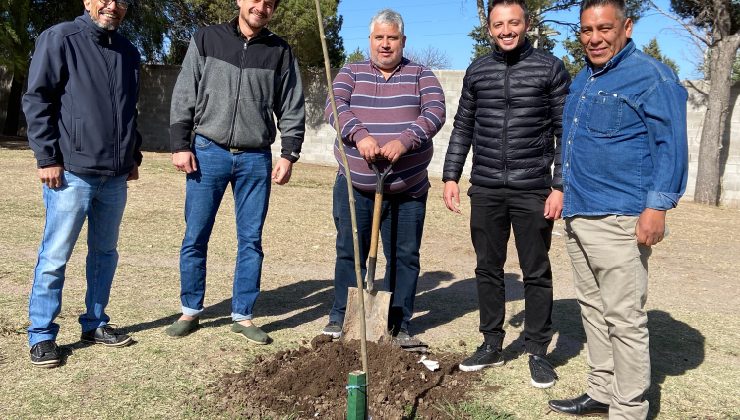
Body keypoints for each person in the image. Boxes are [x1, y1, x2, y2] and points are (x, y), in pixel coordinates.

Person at [547, 0, 688, 417]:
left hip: (620, 217)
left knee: (624, 319)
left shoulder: (652, 77)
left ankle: (628, 408)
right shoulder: (584, 78)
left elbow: (672, 148)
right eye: (586, 31)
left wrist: (657, 207)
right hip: (579, 211)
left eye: (604, 29)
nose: (594, 38)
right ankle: (601, 390)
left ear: (626, 27)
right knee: (592, 309)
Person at [442, 0, 570, 388]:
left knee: (536, 270)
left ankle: (537, 351)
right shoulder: (478, 70)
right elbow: (463, 127)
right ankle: (491, 343)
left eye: (513, 23)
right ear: (490, 28)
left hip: (533, 189)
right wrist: (451, 175)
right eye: (499, 24)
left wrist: (560, 185)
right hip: (485, 187)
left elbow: (565, 131)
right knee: (487, 268)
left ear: (526, 24)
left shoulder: (550, 68)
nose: (506, 30)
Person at [166, 0, 305, 344]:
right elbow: (186, 91)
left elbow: (291, 104)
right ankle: (190, 310)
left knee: (251, 240)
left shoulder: (279, 51)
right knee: (195, 235)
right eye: (255, 0)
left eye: (269, 3)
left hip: (255, 157)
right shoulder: (206, 39)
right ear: (241, 2)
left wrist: (289, 153)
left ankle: (243, 315)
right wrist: (180, 144)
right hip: (207, 151)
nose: (261, 7)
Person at [22, 0, 142, 368]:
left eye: (121, 1)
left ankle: (94, 322)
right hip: (70, 172)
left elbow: (129, 109)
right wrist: (47, 158)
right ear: (88, 2)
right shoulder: (60, 38)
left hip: (115, 176)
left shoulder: (128, 51)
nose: (112, 6)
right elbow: (37, 99)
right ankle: (42, 334)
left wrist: (131, 157)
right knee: (55, 256)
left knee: (105, 255)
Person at [321, 9, 446, 343]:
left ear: (403, 41)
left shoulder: (422, 74)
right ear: (370, 40)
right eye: (380, 38)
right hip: (356, 185)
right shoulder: (352, 71)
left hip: (408, 188)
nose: (386, 45)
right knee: (350, 250)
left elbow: (435, 111)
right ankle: (341, 316)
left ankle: (398, 323)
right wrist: (360, 135)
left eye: (392, 38)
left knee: (404, 257)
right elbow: (333, 106)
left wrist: (405, 140)